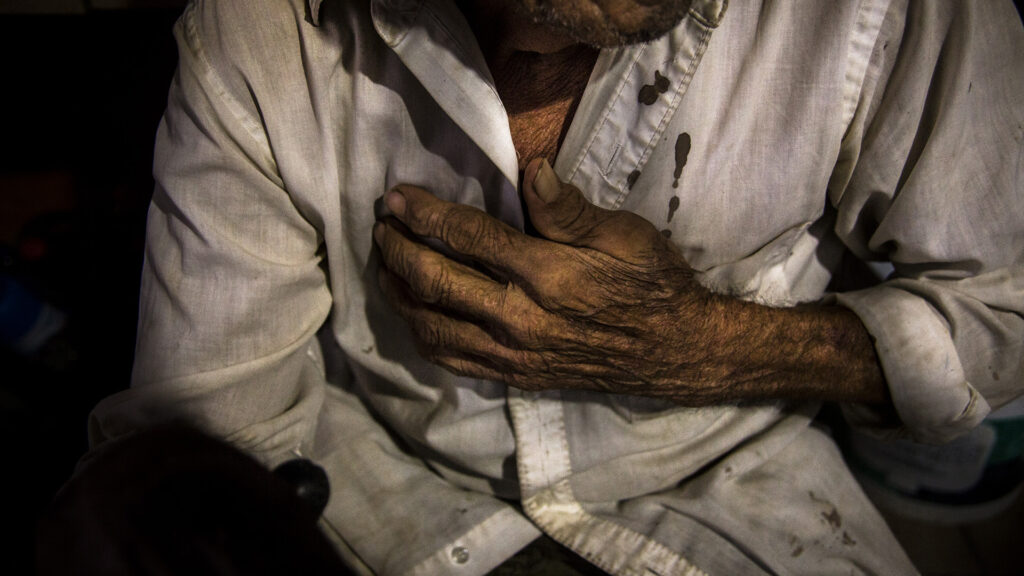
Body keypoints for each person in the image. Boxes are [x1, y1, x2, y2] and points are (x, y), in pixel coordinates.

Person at [87, 0, 1023, 574]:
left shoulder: (892, 10)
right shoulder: (262, 29)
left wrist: (706, 347)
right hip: (374, 507)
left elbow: (1004, 307)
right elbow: (212, 436)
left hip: (745, 512)